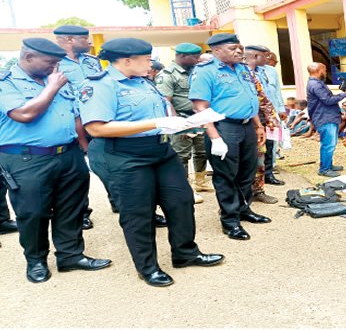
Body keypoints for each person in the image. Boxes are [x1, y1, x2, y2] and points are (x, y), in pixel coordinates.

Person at [80, 38, 223, 287]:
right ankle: (148, 267)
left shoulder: (143, 81)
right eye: (146, 59)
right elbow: (97, 128)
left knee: (181, 200)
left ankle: (185, 253)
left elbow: (160, 112)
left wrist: (180, 123)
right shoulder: (102, 85)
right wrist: (156, 124)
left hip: (159, 150)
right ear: (127, 61)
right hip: (124, 155)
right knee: (138, 212)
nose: (150, 63)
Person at [0, 38, 111, 283]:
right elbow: (24, 114)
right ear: (28, 57)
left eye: (57, 63)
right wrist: (51, 88)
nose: (55, 67)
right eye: (50, 62)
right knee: (33, 213)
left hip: (69, 154)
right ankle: (36, 260)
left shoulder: (58, 78)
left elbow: (76, 117)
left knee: (71, 207)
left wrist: (86, 151)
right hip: (27, 158)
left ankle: (71, 255)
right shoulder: (7, 83)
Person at [189, 33, 271, 241]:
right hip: (224, 127)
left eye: (239, 47)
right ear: (216, 51)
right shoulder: (205, 72)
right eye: (232, 48)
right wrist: (214, 137)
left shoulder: (242, 69)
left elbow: (249, 98)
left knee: (247, 171)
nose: (239, 51)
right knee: (226, 175)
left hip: (246, 127)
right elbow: (200, 107)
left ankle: (244, 209)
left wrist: (258, 126)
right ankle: (230, 220)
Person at [54, 24, 102, 230]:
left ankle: (122, 202)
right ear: (70, 40)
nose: (89, 42)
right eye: (85, 39)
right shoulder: (53, 63)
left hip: (99, 118)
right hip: (72, 122)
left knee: (115, 163)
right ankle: (82, 212)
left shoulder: (92, 62)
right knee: (78, 173)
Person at [155, 42, 213, 205]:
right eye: (194, 57)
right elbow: (166, 102)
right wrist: (178, 124)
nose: (197, 59)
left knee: (201, 151)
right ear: (181, 56)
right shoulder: (167, 75)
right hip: (181, 119)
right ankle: (185, 187)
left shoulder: (196, 71)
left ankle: (200, 182)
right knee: (182, 155)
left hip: (199, 118)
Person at [245, 45, 281, 204]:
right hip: (242, 124)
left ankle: (258, 190)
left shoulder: (261, 73)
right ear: (255, 56)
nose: (267, 59)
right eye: (264, 56)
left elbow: (264, 98)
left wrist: (271, 117)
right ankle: (239, 197)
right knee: (242, 161)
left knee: (260, 157)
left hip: (260, 124)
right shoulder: (241, 73)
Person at [306, 62, 346, 177]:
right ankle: (324, 169)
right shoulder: (316, 85)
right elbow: (328, 100)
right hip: (324, 117)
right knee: (328, 144)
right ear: (318, 70)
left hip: (326, 116)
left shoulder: (316, 83)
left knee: (330, 143)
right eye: (324, 70)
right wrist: (345, 94)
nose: (325, 73)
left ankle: (328, 165)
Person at [262, 50, 287, 183]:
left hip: (271, 113)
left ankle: (269, 173)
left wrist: (281, 109)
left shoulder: (271, 71)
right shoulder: (245, 70)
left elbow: (276, 91)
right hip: (255, 114)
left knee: (271, 143)